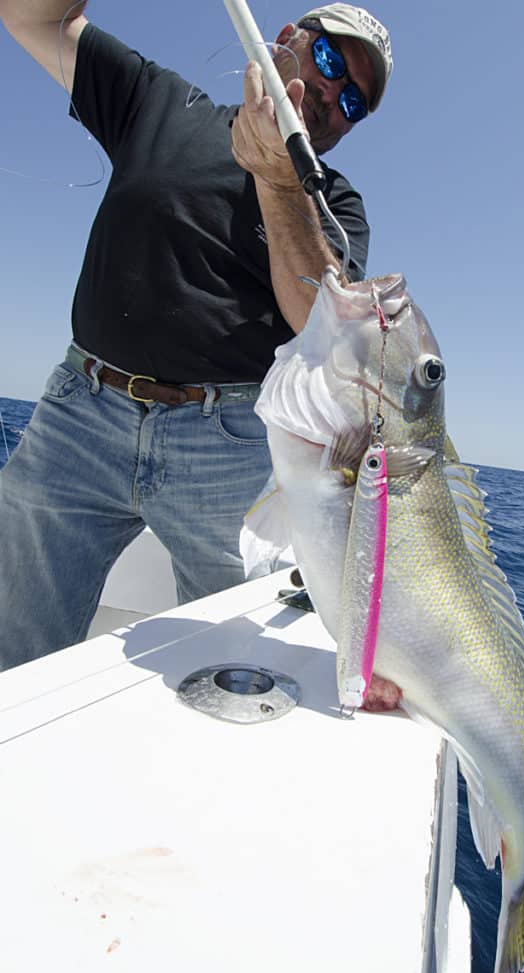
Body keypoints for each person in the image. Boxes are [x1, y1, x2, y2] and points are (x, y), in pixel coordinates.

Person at [0, 2, 393, 672]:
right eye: (329, 63)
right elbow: (32, 19)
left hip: (226, 449)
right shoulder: (159, 102)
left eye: (352, 100)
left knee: (229, 673)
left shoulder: (334, 201)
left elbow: (317, 323)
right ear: (288, 39)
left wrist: (277, 176)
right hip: (79, 418)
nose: (331, 94)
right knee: (15, 647)